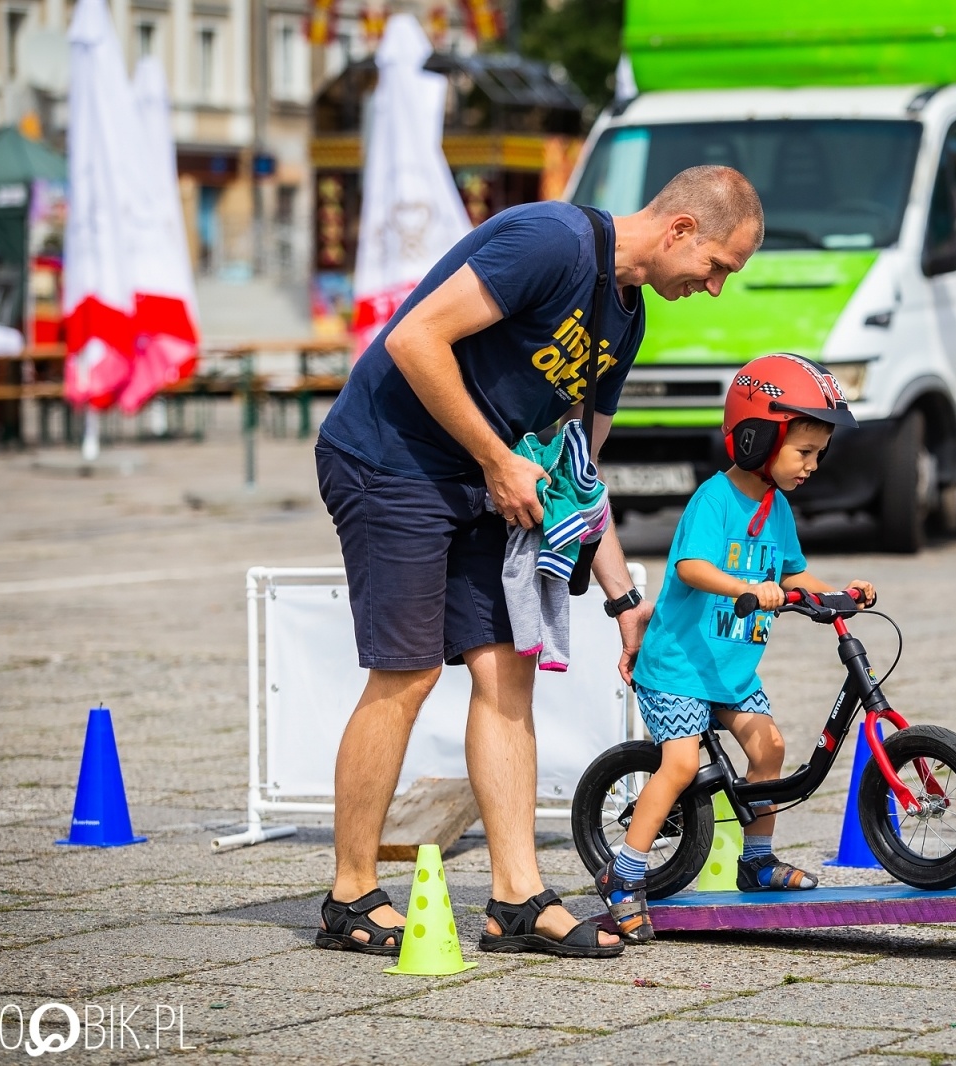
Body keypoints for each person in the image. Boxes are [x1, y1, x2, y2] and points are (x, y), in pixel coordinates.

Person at [312, 166, 765, 958]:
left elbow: (579, 475)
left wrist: (624, 600)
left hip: (487, 482)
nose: (716, 287)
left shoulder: (626, 324)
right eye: (719, 266)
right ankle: (350, 893)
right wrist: (493, 457)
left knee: (506, 671)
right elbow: (414, 337)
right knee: (409, 672)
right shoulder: (550, 241)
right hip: (388, 460)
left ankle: (517, 899)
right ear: (681, 230)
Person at [593, 353, 877, 943]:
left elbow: (794, 575)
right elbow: (692, 567)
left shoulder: (778, 510)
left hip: (731, 671)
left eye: (819, 455)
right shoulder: (714, 500)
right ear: (756, 438)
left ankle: (758, 861)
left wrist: (841, 592)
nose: (813, 466)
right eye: (804, 452)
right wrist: (748, 588)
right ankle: (623, 874)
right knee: (678, 765)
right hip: (677, 667)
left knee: (768, 746)